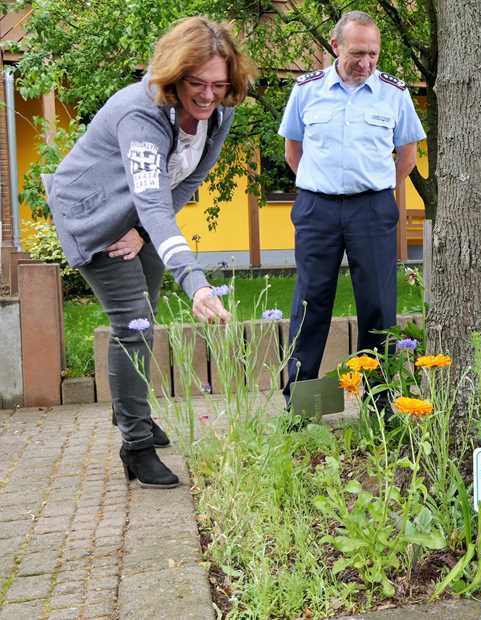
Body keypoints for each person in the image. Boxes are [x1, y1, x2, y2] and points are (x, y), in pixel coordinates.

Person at [45, 16, 256, 488]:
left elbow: (190, 179)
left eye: (218, 85)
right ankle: (135, 446)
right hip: (95, 214)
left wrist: (142, 230)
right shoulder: (140, 114)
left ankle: (131, 413)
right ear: (174, 75)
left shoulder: (218, 113)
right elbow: (153, 199)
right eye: (196, 83)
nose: (207, 95)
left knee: (148, 314)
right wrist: (197, 284)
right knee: (133, 323)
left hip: (142, 216)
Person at [278, 10, 425, 407]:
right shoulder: (306, 91)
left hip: (372, 210)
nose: (366, 63)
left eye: (373, 55)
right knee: (311, 303)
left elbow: (407, 157)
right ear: (335, 46)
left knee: (378, 305)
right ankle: (300, 405)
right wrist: (326, 186)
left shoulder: (394, 94)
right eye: (357, 53)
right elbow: (294, 152)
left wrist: (371, 189)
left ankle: (379, 404)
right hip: (317, 209)